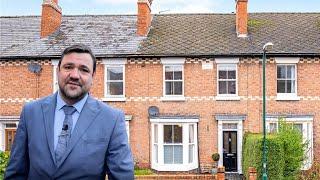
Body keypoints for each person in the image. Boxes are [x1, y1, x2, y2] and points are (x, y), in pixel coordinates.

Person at [4, 44, 134, 180]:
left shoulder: (112, 119)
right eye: (68, 67)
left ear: (92, 76)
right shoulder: (31, 112)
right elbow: (15, 173)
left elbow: (122, 176)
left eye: (84, 70)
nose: (74, 75)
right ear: (58, 71)